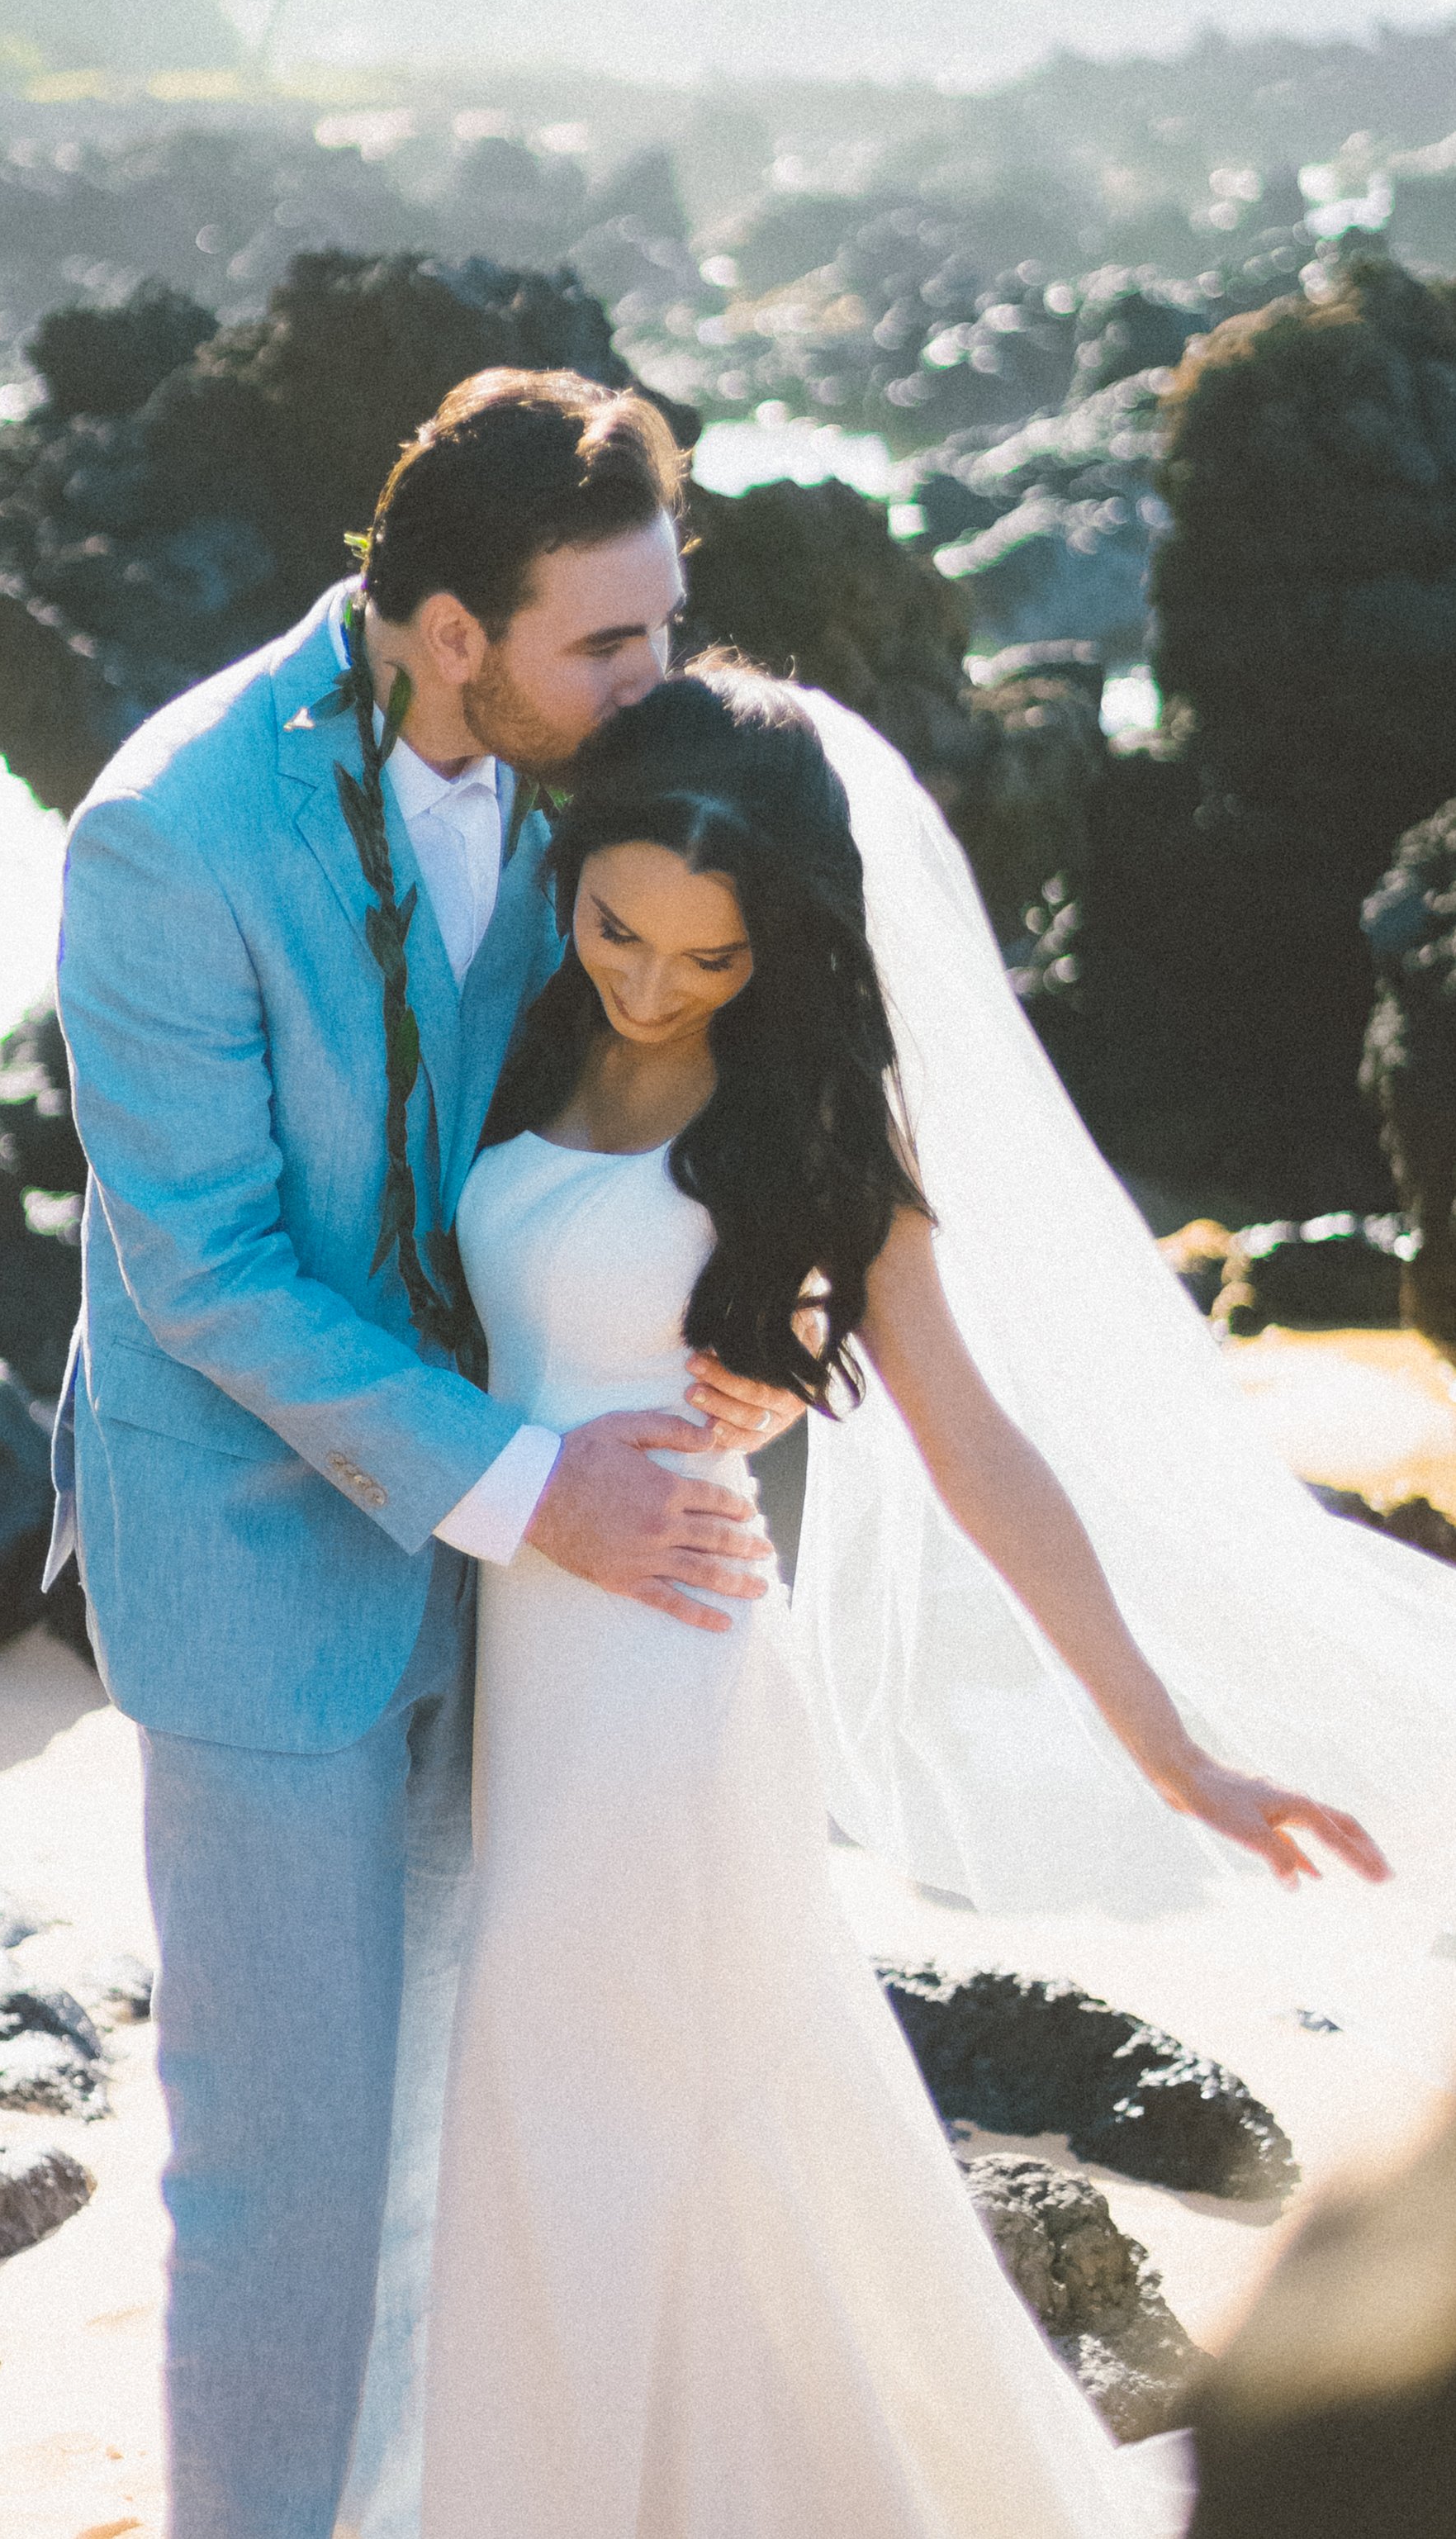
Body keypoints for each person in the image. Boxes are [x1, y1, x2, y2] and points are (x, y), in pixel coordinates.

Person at [420, 660, 1390, 2539]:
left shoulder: (817, 1129)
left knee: (610, 2118)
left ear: (774, 952)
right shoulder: (512, 1039)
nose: (647, 982)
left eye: (704, 962)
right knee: (603, 2138)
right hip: (499, 1667)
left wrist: (1175, 1752)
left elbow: (977, 1449)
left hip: (669, 1698)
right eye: (618, 928)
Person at [50, 370, 799, 2539]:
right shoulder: (168, 833)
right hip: (260, 1570)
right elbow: (200, 1269)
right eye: (613, 640)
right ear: (447, 627)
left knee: (489, 2132)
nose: (661, 681)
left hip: (546, 1593)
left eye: (671, 623)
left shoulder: (616, 782)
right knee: (278, 2180)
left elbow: (765, 1045)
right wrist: (525, 1481)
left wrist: (777, 1311)